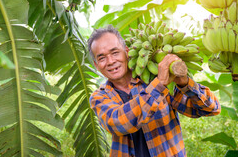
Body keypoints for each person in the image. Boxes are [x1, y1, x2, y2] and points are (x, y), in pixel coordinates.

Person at [88, 25, 221, 157]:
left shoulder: (155, 80)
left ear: (127, 52)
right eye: (101, 58)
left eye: (115, 52)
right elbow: (118, 123)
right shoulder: (99, 97)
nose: (110, 61)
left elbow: (211, 109)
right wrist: (159, 85)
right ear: (96, 65)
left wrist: (185, 84)